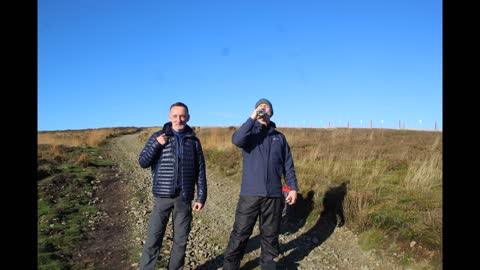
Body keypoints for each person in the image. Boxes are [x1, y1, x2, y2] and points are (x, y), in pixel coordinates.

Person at [223, 98, 299, 270]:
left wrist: (293, 187)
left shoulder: (279, 137)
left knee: (270, 235)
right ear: (255, 111)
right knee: (241, 233)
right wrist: (252, 118)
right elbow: (236, 140)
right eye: (260, 106)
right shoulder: (249, 134)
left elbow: (288, 164)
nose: (264, 107)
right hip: (250, 194)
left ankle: (268, 266)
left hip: (273, 195)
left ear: (272, 112)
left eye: (267, 106)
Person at [138, 102, 207, 270]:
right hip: (162, 197)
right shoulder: (159, 136)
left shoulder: (194, 141)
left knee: (181, 241)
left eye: (182, 116)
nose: (179, 119)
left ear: (188, 117)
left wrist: (201, 196)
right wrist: (156, 144)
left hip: (184, 198)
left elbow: (200, 171)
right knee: (154, 238)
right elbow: (143, 162)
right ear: (169, 117)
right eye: (175, 116)